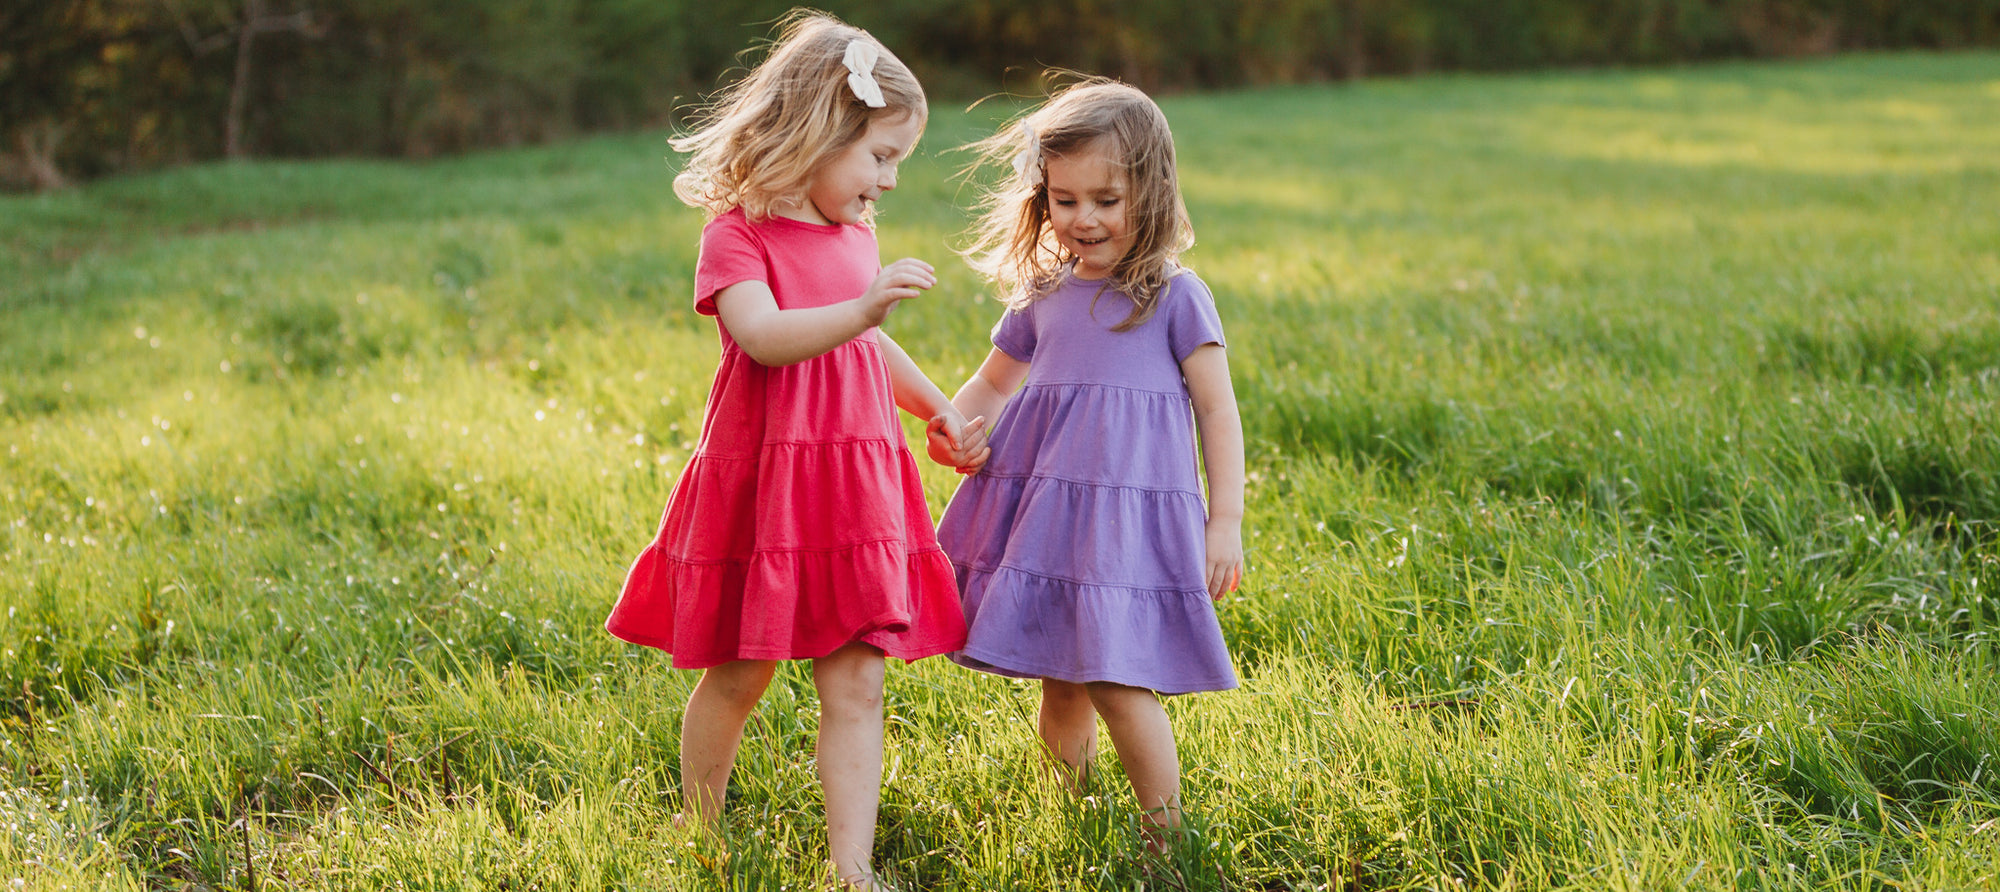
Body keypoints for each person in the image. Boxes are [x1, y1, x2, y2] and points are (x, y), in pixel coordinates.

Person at [603, 12, 975, 889]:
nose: (887, 182)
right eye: (880, 156)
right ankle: (700, 827)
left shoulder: (855, 236)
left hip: (853, 488)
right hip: (769, 487)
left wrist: (940, 406)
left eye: (898, 163)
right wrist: (863, 310)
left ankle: (854, 870)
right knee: (740, 677)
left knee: (858, 683)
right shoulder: (737, 235)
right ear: (817, 132)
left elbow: (866, 349)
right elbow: (766, 335)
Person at [932, 79, 1246, 853]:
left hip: (1130, 514)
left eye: (1106, 199)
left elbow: (1217, 409)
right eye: (1065, 201)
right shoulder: (1044, 291)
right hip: (1051, 511)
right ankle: (1064, 810)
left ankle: (1164, 837)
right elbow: (992, 382)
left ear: (1154, 190)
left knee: (1112, 676)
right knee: (1060, 672)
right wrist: (956, 427)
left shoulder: (1174, 296)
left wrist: (1226, 519)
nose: (1085, 220)